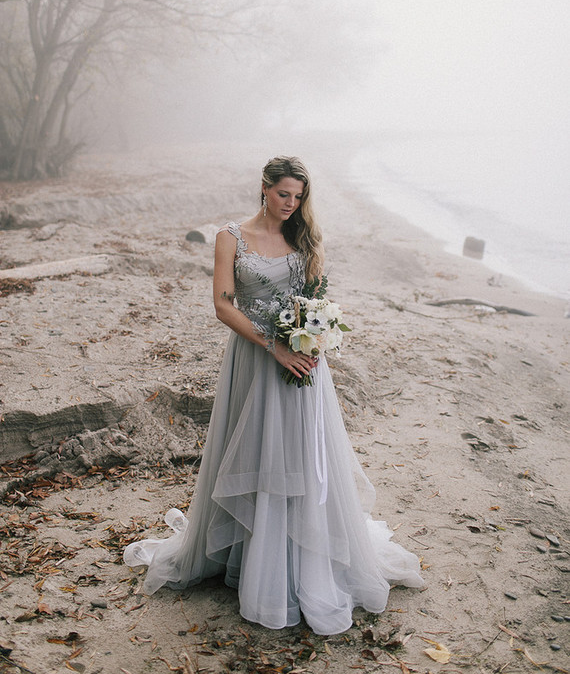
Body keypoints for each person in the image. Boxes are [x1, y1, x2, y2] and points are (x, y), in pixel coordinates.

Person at [124, 155, 424, 635]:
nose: (291, 204)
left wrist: (311, 338)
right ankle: (249, 556)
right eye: (284, 193)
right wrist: (274, 346)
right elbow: (224, 305)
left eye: (299, 196)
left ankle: (299, 559)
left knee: (301, 455)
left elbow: (315, 300)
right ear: (264, 188)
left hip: (303, 361)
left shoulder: (304, 239)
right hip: (255, 358)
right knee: (255, 448)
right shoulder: (230, 238)